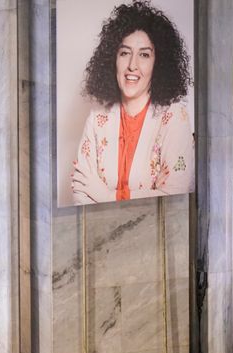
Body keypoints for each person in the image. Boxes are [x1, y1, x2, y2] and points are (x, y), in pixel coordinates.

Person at [71, 1, 194, 205]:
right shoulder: (97, 117)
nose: (132, 65)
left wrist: (108, 196)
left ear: (158, 63)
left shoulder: (174, 117)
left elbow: (175, 195)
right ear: (113, 59)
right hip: (99, 226)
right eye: (125, 53)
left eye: (144, 55)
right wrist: (151, 193)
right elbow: (80, 190)